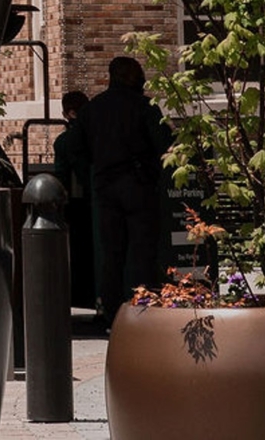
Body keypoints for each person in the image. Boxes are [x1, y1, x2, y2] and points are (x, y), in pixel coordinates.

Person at [83, 55, 171, 330]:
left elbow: (76, 146)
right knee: (142, 250)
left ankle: (111, 314)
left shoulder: (92, 109)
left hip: (105, 186)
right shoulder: (145, 107)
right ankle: (142, 310)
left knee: (112, 253)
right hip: (138, 185)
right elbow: (164, 144)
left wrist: (91, 176)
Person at [50, 90, 97, 316]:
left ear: (68, 113)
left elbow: (61, 175)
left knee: (79, 254)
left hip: (75, 205)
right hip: (95, 201)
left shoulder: (64, 141)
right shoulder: (97, 135)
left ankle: (82, 294)